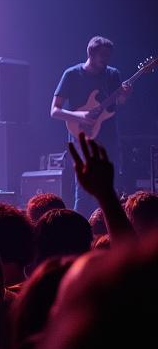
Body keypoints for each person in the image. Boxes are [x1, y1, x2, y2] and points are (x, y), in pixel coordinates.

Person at [50, 36, 131, 215]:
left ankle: (108, 232)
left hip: (109, 137)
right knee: (84, 188)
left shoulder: (113, 74)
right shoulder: (71, 74)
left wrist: (125, 94)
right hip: (82, 138)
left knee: (111, 185)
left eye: (109, 56)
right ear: (91, 53)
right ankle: (81, 234)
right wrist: (80, 116)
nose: (106, 60)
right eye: (103, 56)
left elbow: (119, 102)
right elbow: (54, 111)